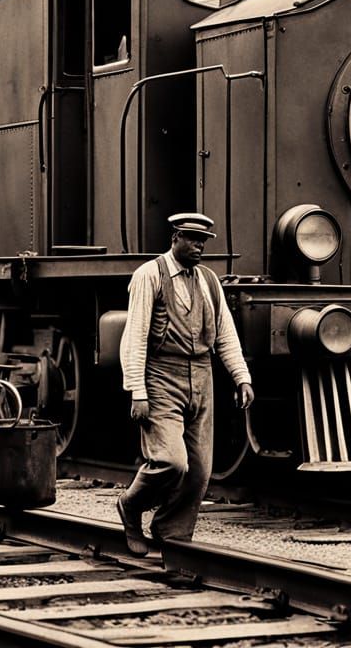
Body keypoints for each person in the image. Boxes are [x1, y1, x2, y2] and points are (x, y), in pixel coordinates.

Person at [117, 212, 254, 556]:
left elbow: (225, 333)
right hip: (161, 375)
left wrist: (241, 376)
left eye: (203, 241)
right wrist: (137, 389)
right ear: (175, 237)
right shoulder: (150, 275)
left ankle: (172, 535)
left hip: (202, 376)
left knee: (199, 472)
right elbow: (134, 335)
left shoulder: (209, 281)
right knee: (171, 461)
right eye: (193, 240)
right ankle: (131, 506)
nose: (199, 247)